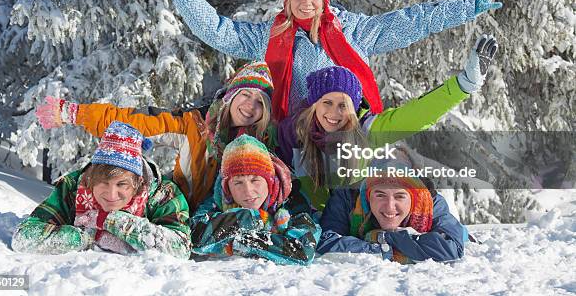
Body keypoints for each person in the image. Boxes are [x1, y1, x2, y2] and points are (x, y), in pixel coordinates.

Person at [153, 0, 502, 120]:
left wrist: (468, 8)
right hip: (292, 133)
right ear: (288, 1)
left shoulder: (356, 32)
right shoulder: (269, 36)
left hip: (350, 128)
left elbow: (414, 20)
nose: (306, 4)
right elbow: (218, 31)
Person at [277, 35, 499, 210]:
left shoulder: (366, 131)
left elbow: (415, 115)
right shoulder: (292, 133)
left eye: (343, 105)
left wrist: (463, 86)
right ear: (314, 104)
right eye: (327, 102)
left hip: (355, 222)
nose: (334, 113)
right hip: (311, 230)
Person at [35, 61, 275, 212]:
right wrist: (76, 113)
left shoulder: (265, 144)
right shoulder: (193, 125)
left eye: (260, 102)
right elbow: (137, 122)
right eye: (245, 95)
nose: (250, 106)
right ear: (230, 96)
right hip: (182, 213)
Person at [12, 121, 191, 257]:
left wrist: (111, 221)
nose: (111, 195)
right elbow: (23, 237)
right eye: (103, 183)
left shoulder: (162, 194)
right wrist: (87, 237)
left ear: (138, 183)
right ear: (91, 178)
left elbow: (182, 248)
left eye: (122, 184)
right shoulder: (73, 186)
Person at [190, 134, 320, 265]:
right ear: (227, 187)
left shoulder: (292, 199)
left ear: (269, 181)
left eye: (255, 180)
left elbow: (303, 250)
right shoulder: (217, 198)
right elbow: (196, 236)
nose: (248, 190)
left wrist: (239, 242)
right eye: (238, 183)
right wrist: (256, 218)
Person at [316, 162, 467, 264]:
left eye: (399, 196)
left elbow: (451, 248)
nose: (389, 206)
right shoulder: (347, 199)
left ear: (413, 198)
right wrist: (384, 249)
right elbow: (326, 241)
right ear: (368, 196)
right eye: (380, 195)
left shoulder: (431, 203)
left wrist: (383, 237)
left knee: (462, 233)